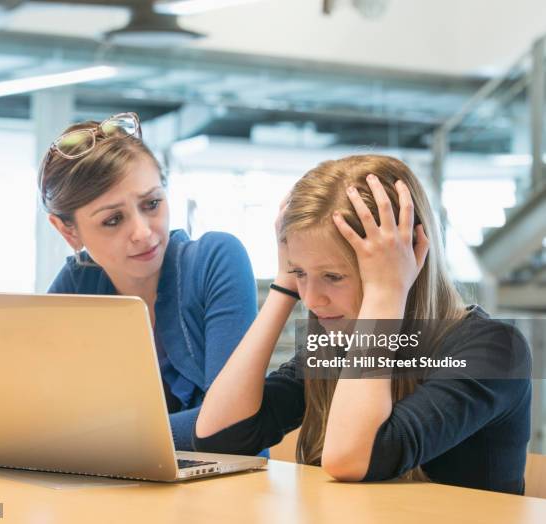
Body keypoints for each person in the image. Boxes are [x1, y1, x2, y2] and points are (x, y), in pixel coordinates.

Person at [194, 154, 531, 495]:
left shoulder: (496, 348)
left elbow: (352, 458)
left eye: (333, 276)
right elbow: (219, 438)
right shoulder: (338, 343)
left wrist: (386, 293)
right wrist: (285, 285)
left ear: (407, 261)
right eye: (301, 274)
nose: (311, 299)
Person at [38, 112, 257, 450]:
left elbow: (227, 428)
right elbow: (33, 412)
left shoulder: (215, 259)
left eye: (152, 203)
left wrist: (88, 440)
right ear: (67, 230)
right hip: (118, 488)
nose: (142, 233)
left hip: (224, 491)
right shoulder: (78, 283)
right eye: (113, 220)